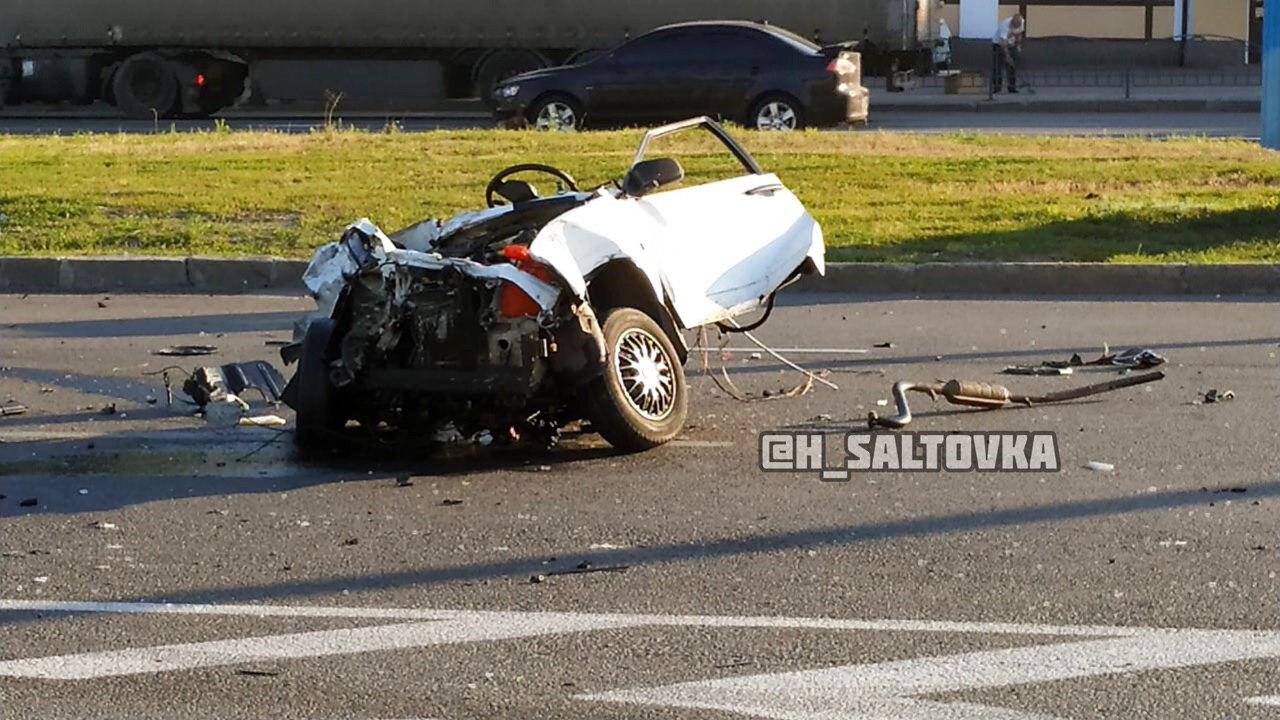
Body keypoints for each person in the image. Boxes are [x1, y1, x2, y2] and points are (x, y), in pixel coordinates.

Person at [991, 13, 1026, 94]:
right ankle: (997, 88)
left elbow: (1019, 34)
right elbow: (1003, 43)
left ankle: (1012, 87)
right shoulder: (1005, 25)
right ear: (1011, 23)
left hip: (1011, 44)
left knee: (1011, 66)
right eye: (1014, 27)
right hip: (998, 44)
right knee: (997, 66)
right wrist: (1007, 55)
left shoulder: (1022, 21)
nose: (1015, 28)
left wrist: (1018, 45)